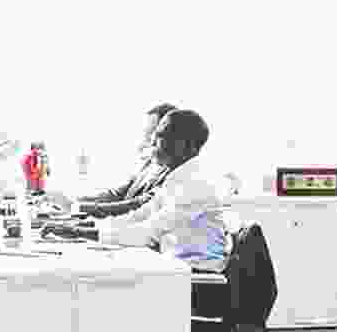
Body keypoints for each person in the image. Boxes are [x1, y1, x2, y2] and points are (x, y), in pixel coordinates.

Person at [44, 109, 227, 271]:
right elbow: (136, 217)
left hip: (198, 277)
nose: (153, 141)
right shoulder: (177, 177)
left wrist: (79, 232)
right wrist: (81, 227)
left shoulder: (196, 185)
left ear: (186, 145)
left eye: (162, 135)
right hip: (176, 268)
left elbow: (146, 234)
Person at [76, 103, 177, 218]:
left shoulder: (173, 173)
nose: (147, 139)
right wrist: (78, 200)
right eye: (146, 133)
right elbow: (118, 194)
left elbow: (136, 205)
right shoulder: (149, 163)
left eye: (151, 133)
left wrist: (81, 207)